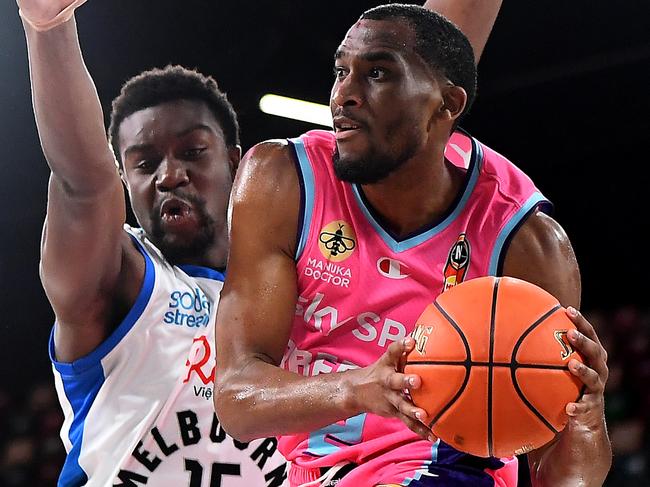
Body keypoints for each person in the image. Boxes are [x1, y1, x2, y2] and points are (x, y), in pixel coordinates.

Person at [214, 3, 612, 487]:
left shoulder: (524, 239)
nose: (344, 94)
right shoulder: (282, 180)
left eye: (377, 72)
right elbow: (236, 399)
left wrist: (587, 427)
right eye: (341, 71)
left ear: (447, 105)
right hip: (315, 473)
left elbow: (557, 471)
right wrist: (359, 389)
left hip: (452, 471)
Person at [17, 1, 290, 485]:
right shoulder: (122, 274)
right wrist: (48, 26)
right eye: (144, 164)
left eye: (192, 152)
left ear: (234, 162)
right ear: (125, 178)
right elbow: (84, 183)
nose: (170, 175)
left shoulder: (298, 287)